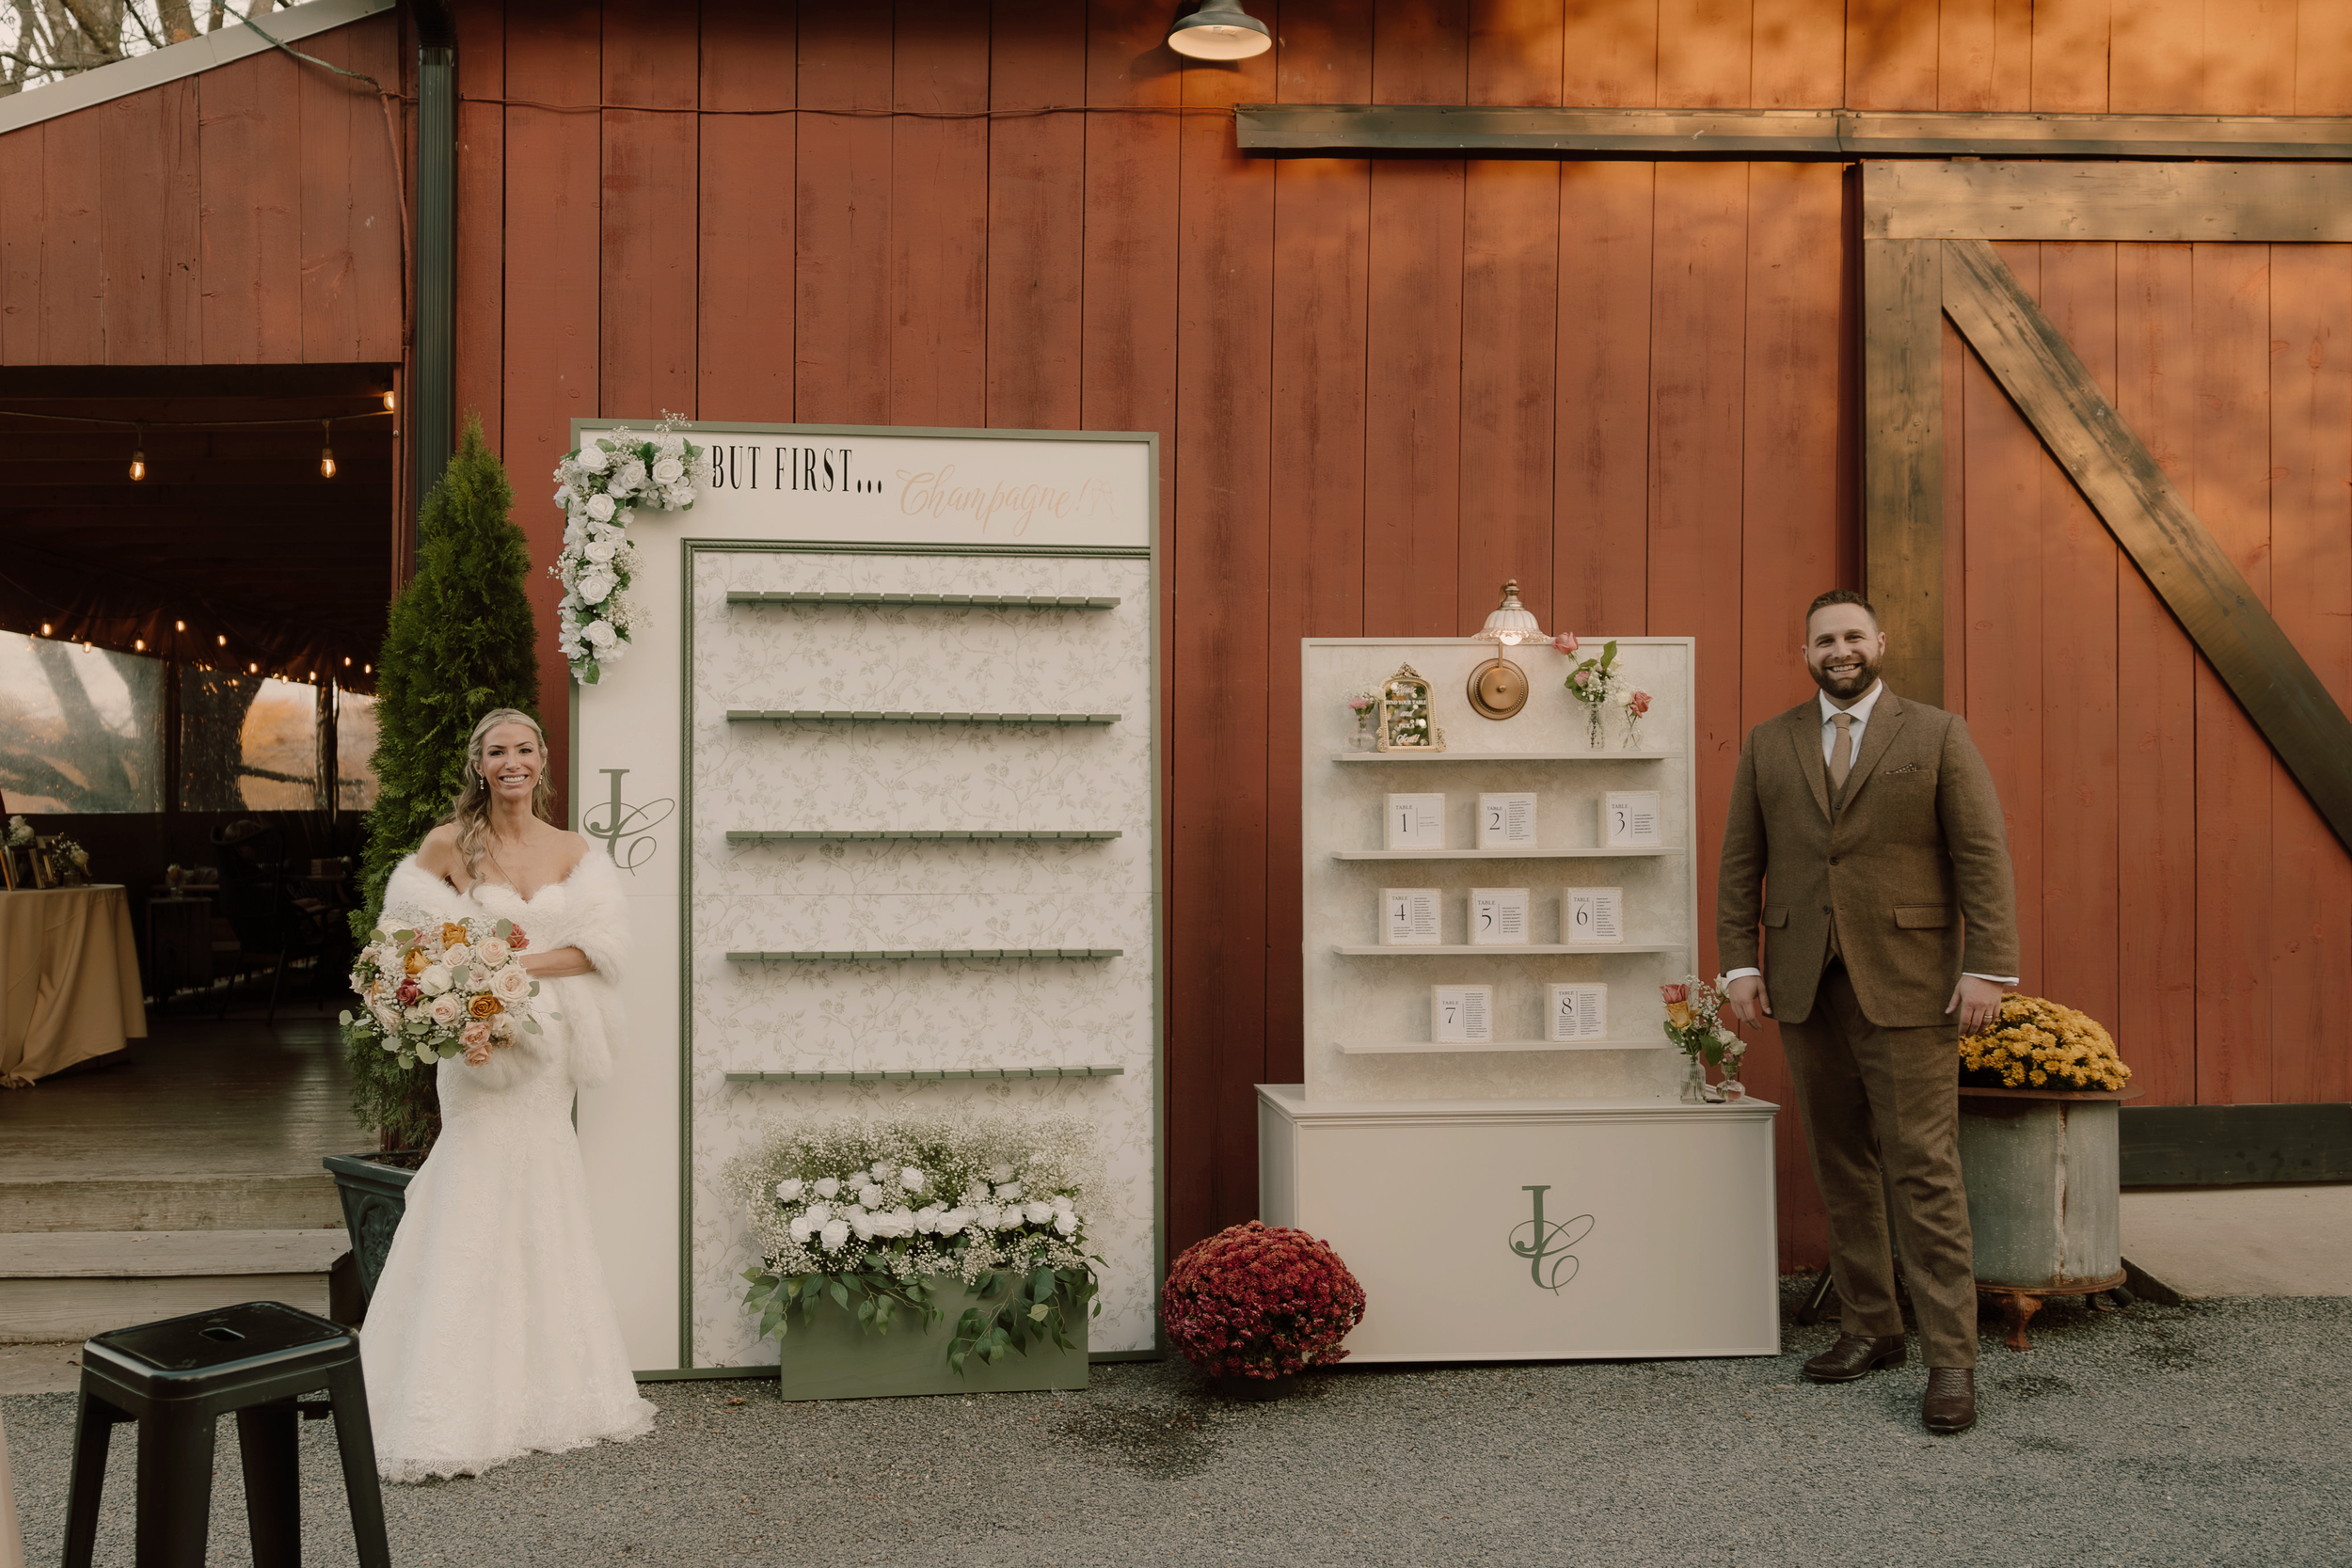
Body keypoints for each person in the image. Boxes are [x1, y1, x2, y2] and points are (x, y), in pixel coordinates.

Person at [1716, 590, 2018, 1435]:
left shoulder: (1937, 735)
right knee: (1841, 1161)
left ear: (1879, 642)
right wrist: (1741, 961)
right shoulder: (1768, 742)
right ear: (1805, 652)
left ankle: (1951, 1359)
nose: (1840, 650)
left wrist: (1988, 968)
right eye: (1824, 640)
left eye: (1853, 635)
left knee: (1924, 1168)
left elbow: (1982, 856)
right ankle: (1870, 1325)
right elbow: (1743, 860)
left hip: (1915, 983)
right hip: (1804, 981)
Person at [361, 708, 655, 1481]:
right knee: (471, 1190)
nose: (513, 761)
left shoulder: (572, 849)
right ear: (480, 764)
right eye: (498, 751)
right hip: (481, 1053)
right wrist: (467, 995)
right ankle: (441, 1396)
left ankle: (552, 1392)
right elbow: (408, 946)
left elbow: (603, 950)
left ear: (543, 759)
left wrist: (506, 965)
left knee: (543, 1193)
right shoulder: (448, 844)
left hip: (547, 1052)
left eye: (524, 748)